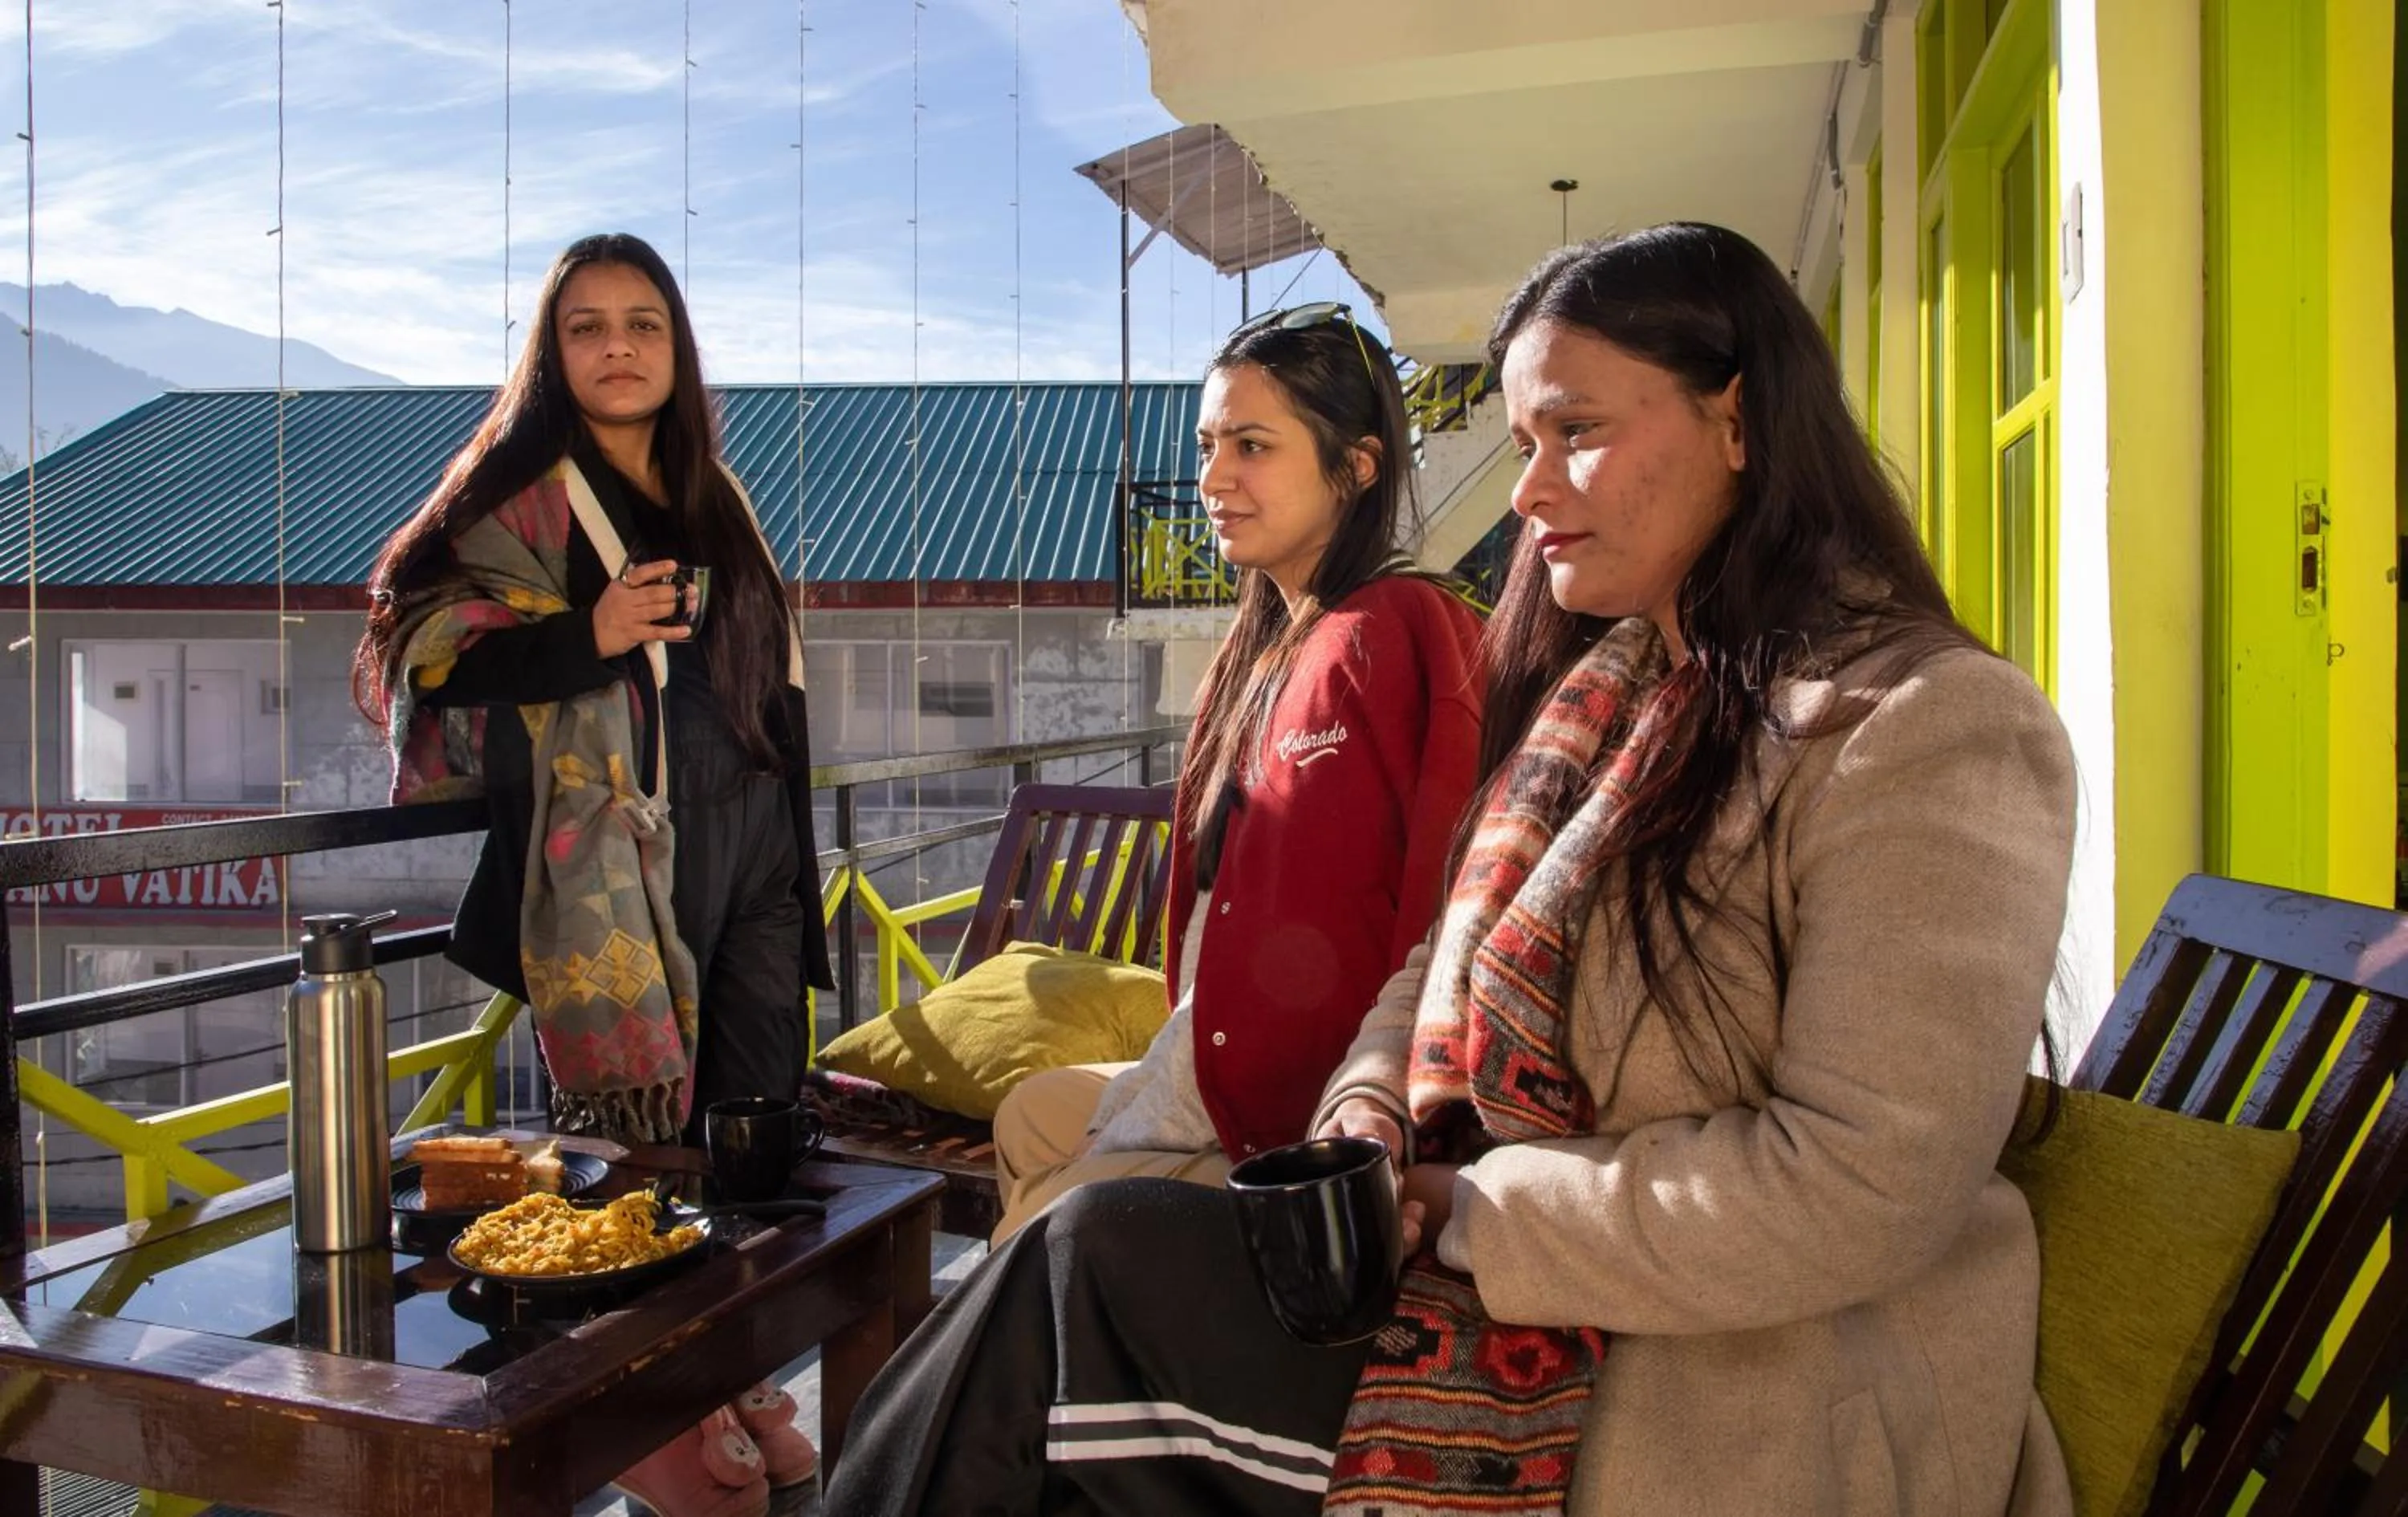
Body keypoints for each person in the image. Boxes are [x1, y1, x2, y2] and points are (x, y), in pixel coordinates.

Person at [823, 222, 2078, 1517]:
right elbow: (1437, 964)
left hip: (1722, 1387)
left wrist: (1462, 1205)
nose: (1529, 494)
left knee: (1078, 1288)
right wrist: (1365, 1120)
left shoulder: (1928, 727)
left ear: (1740, 421)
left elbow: (1862, 1189)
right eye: (1522, 446)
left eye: (1573, 431)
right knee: (1071, 1294)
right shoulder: (1619, 698)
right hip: (1490, 1299)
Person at [355, 232, 829, 1513]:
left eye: (644, 324)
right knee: (647, 1150)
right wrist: (592, 631)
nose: (618, 346)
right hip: (623, 842)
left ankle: (719, 1381)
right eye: (587, 326)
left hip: (757, 835)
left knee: (751, 1127)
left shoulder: (711, 490)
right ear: (552, 353)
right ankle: (647, 1420)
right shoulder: (520, 495)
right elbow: (428, 646)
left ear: (678, 349)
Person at [987, 302, 1485, 1240]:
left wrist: (1392, 1110)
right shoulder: (1267, 643)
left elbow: (1443, 897)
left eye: (1252, 445)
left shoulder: (1395, 633)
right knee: (1027, 1115)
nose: (1214, 478)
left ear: (1358, 465)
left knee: (1046, 1232)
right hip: (1213, 1057)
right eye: (1211, 443)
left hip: (1313, 1101)